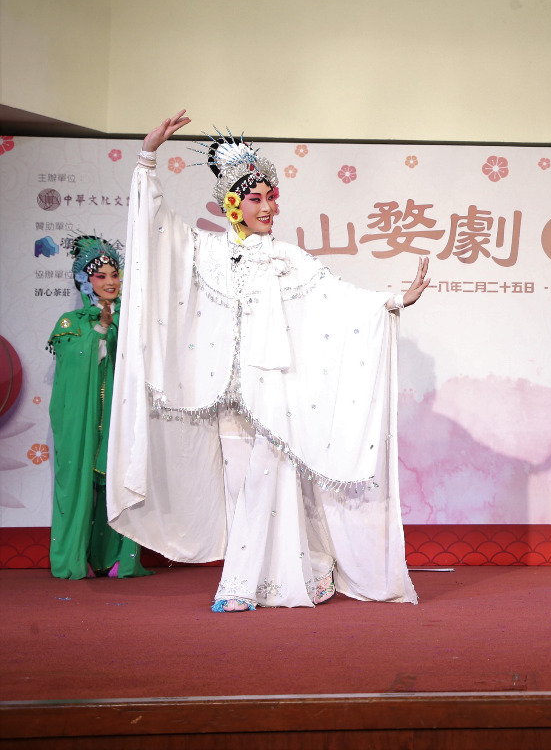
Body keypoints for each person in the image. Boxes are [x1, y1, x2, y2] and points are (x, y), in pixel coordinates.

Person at [108, 110, 431, 612]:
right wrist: (147, 158)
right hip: (226, 394)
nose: (268, 207)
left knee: (269, 482)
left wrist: (391, 300)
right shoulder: (204, 250)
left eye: (270, 197)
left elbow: (336, 298)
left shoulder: (286, 258)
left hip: (276, 392)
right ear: (231, 204)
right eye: (255, 199)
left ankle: (248, 584)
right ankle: (290, 573)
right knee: (242, 486)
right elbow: (157, 229)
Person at [46, 236, 152, 580]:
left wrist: (116, 328)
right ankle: (75, 558)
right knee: (79, 484)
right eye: (101, 276)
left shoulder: (132, 319)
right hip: (82, 419)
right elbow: (69, 368)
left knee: (121, 483)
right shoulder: (71, 322)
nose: (110, 282)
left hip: (120, 416)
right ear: (85, 281)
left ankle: (119, 558)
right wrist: (99, 331)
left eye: (115, 275)